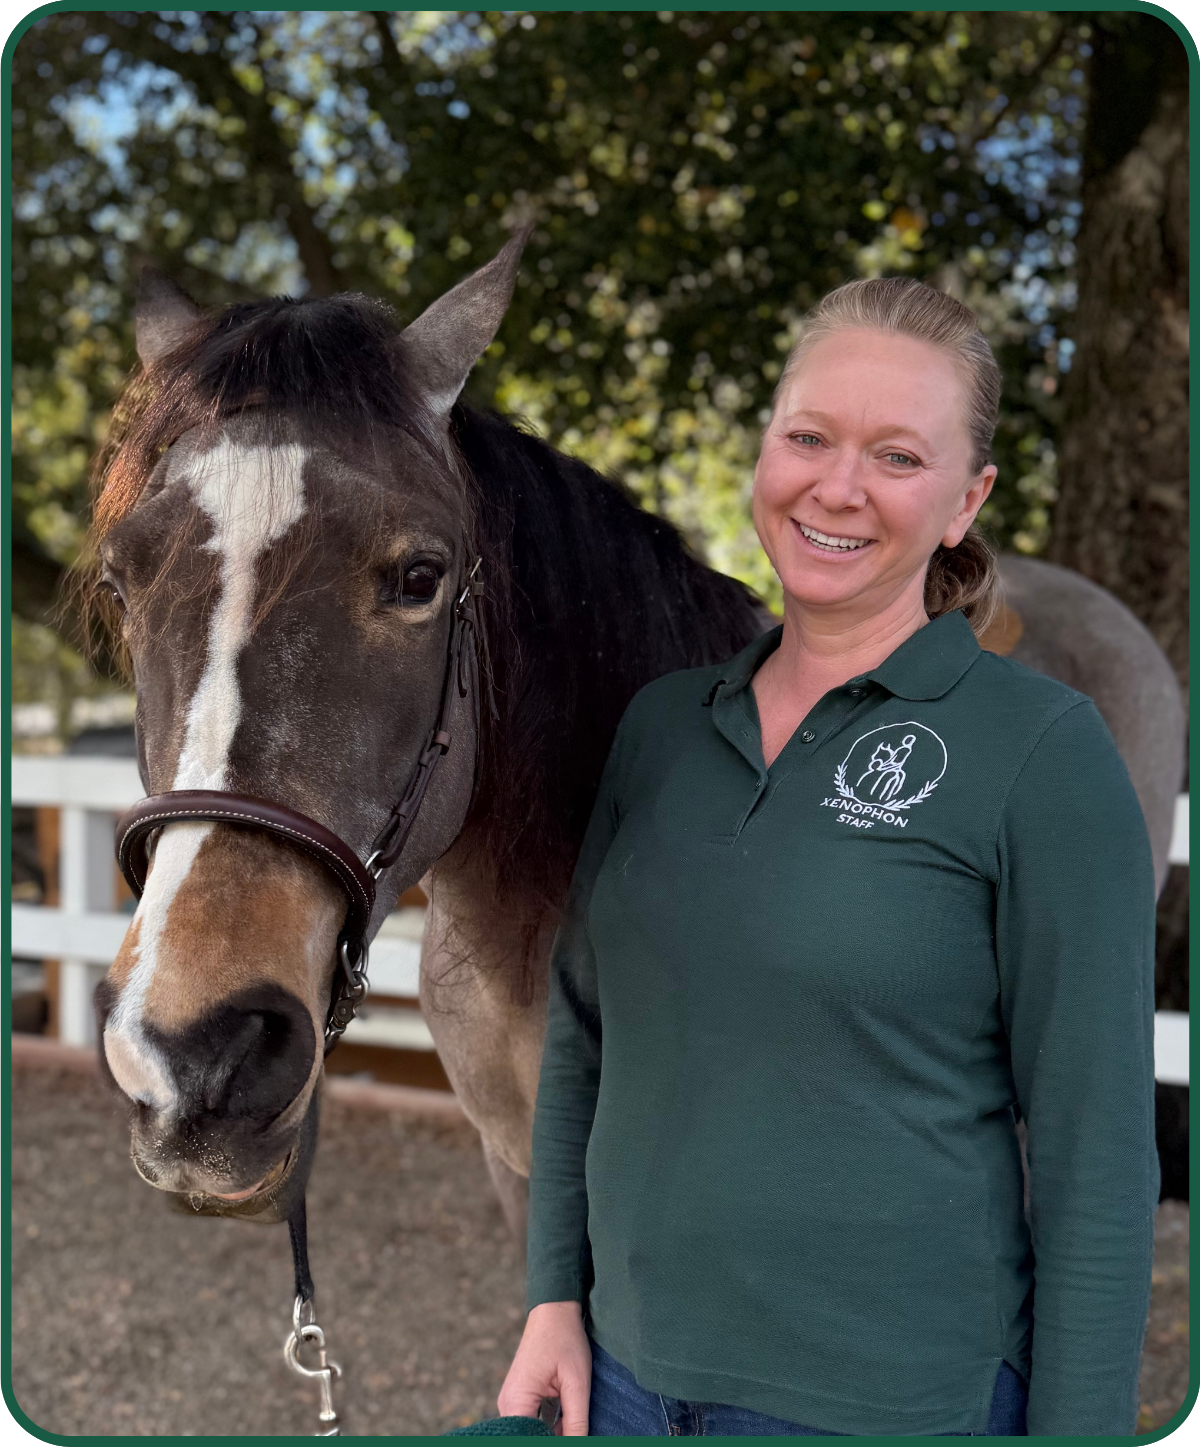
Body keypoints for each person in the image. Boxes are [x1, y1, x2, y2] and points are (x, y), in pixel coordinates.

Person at [498, 278, 1159, 1436]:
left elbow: (1096, 1162)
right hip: (627, 1387)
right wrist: (555, 1296)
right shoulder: (658, 727)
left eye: (898, 457)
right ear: (766, 451)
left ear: (967, 500)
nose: (837, 486)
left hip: (893, 1409)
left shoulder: (1041, 752)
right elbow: (583, 1034)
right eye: (809, 436)